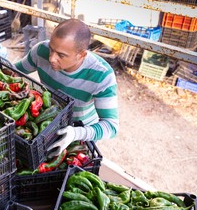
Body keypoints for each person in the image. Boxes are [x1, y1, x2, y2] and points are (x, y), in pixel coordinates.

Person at [14, 18, 119, 158]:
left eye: (61, 55)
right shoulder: (41, 51)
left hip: (80, 133)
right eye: (52, 49)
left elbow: (111, 126)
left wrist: (76, 133)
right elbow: (15, 71)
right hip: (48, 121)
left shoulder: (102, 75)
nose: (51, 58)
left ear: (81, 55)